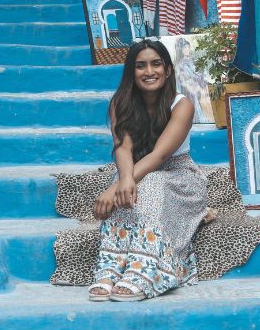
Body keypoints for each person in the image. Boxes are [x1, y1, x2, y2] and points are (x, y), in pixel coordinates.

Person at [88, 39, 207, 302]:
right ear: (131, 72)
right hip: (137, 171)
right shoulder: (120, 104)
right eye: (140, 66)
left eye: (156, 64)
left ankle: (146, 271)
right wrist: (122, 180)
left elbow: (160, 155)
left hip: (178, 177)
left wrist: (119, 184)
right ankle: (110, 267)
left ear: (167, 69)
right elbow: (123, 148)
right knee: (127, 194)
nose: (149, 72)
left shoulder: (182, 105)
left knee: (146, 185)